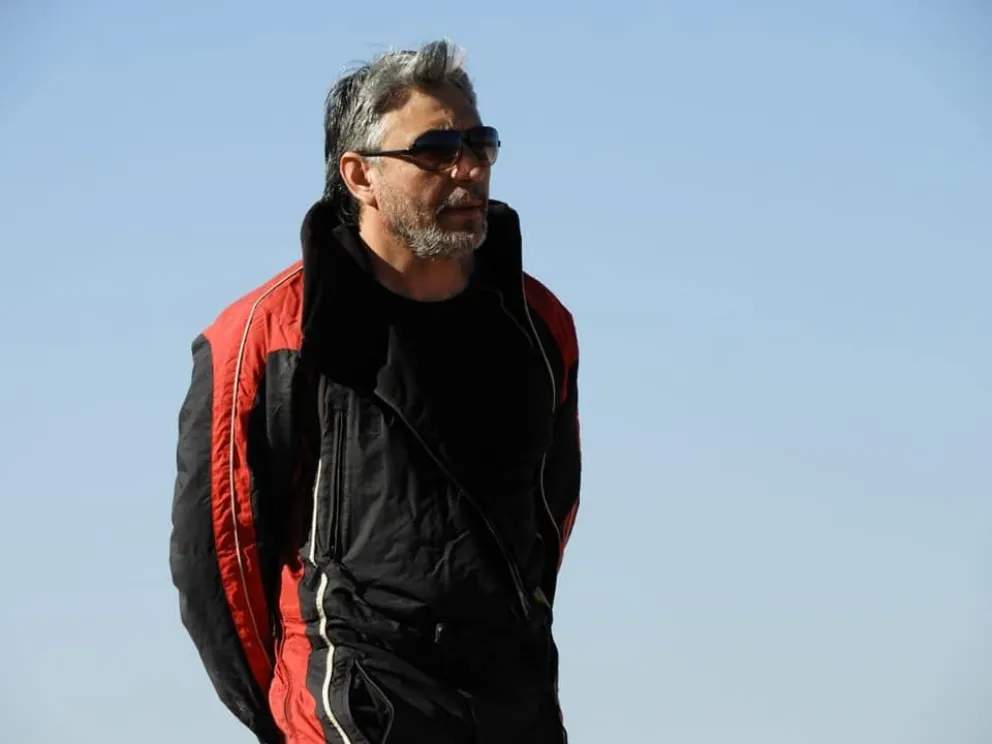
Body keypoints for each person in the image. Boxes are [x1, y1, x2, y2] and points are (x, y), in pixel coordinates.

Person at [169, 39, 581, 744]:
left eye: (480, 144)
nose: (468, 169)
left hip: (514, 704)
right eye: (435, 150)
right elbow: (218, 561)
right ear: (360, 174)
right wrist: (285, 719)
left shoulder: (538, 323)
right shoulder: (265, 334)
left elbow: (552, 510)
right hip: (349, 709)